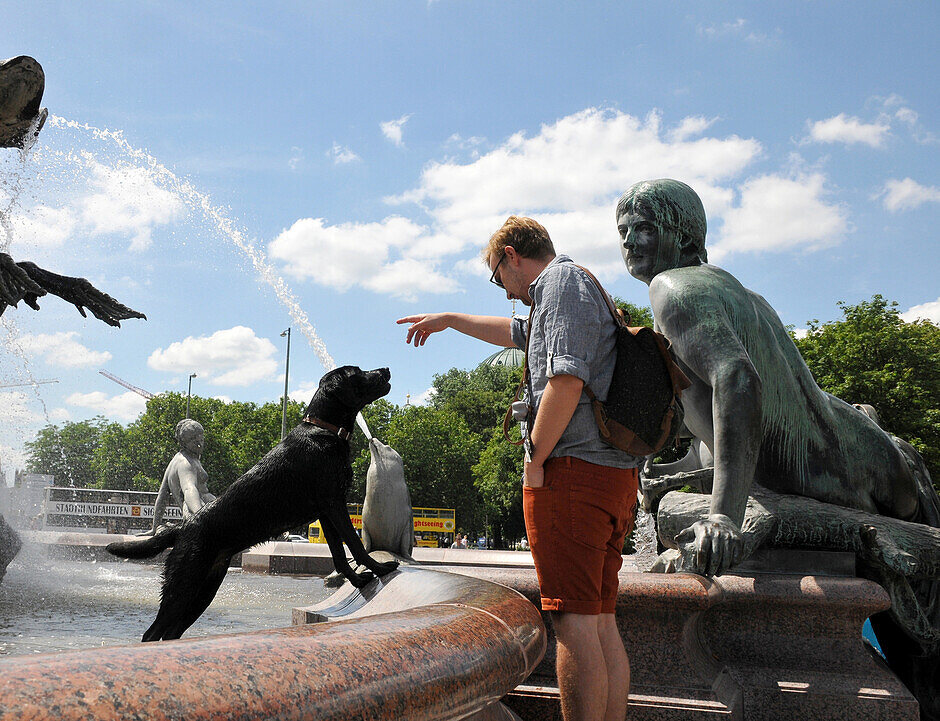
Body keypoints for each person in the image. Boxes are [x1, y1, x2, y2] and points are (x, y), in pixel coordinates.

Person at [616, 179, 936, 577]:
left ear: (684, 238)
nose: (630, 241)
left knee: (674, 518)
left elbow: (739, 382)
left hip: (830, 474)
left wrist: (723, 517)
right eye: (623, 231)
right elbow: (730, 419)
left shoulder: (672, 289)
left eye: (645, 228)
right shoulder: (736, 290)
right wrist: (661, 467)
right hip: (863, 456)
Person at [398, 216, 641, 721]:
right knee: (598, 624)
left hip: (573, 475)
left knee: (573, 626)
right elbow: (517, 335)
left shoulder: (559, 283)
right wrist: (449, 319)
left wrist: (533, 460)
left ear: (512, 256)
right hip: (610, 475)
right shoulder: (575, 290)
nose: (503, 290)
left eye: (497, 276)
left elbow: (566, 380)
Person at [144, 419, 216, 535]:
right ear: (185, 443)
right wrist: (200, 514)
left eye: (201, 440)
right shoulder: (185, 463)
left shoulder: (180, 460)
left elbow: (162, 496)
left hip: (203, 509)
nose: (200, 444)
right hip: (196, 510)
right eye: (195, 441)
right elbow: (189, 489)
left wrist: (155, 526)